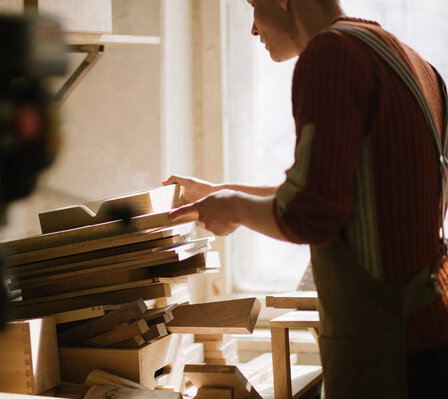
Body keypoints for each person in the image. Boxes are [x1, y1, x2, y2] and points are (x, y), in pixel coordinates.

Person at [164, 0, 448, 397]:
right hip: (430, 332)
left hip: (386, 351)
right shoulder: (412, 63)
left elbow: (308, 216)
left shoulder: (331, 55)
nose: (253, 29)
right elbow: (334, 194)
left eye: (253, 5)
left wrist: (231, 207)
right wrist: (218, 192)